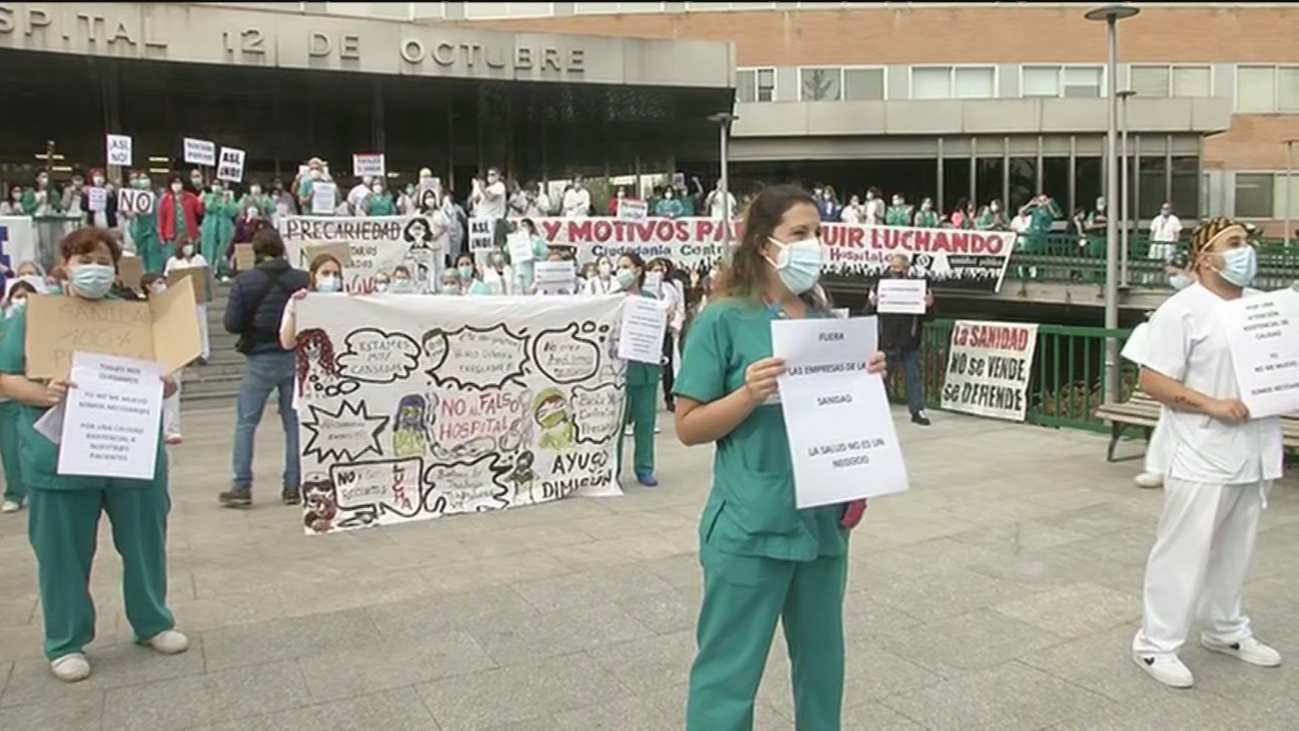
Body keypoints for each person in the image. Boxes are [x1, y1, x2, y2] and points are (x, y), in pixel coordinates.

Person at [673, 184, 885, 730]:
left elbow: (840, 421)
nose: (814, 244)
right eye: (800, 234)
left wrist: (863, 385)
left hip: (823, 525)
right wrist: (746, 394)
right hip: (750, 525)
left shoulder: (823, 321)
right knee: (728, 674)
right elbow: (689, 427)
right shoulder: (722, 319)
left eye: (818, 233)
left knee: (822, 666)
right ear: (764, 244)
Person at [0, 227, 188, 682]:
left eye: (103, 260)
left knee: (145, 545)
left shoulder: (136, 317)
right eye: (83, 261)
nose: (94, 270)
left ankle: (152, 622)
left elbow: (169, 377)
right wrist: (46, 393)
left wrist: (162, 384)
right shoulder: (31, 318)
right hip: (60, 456)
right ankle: (65, 641)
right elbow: (5, 377)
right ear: (64, 267)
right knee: (62, 554)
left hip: (130, 450)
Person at [1131, 217, 1283, 689]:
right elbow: (1152, 379)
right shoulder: (1182, 311)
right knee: (1184, 549)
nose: (1245, 251)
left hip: (1256, 448)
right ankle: (1156, 644)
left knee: (1235, 549)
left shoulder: (1264, 307)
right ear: (1205, 258)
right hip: (1201, 449)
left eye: (1247, 243)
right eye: (1233, 244)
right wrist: (1211, 404)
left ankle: (1225, 628)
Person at [220, 229, 311, 509]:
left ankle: (242, 486)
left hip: (260, 357)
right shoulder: (301, 278)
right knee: (294, 422)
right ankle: (293, 486)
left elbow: (232, 323)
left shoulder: (245, 281)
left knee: (246, 422)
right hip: (294, 355)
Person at [870, 253, 934, 426]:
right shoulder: (880, 284)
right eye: (892, 267)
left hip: (909, 341)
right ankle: (876, 411)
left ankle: (917, 411)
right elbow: (868, 312)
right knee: (883, 378)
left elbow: (928, 317)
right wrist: (872, 302)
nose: (893, 270)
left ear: (906, 268)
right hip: (888, 340)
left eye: (897, 267)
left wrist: (929, 305)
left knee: (913, 378)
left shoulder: (918, 286)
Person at [615, 253, 662, 487]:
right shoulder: (612, 300)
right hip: (621, 371)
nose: (621, 271)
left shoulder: (650, 299)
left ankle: (644, 468)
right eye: (618, 267)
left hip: (647, 369)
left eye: (626, 267)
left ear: (638, 270)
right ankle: (613, 470)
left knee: (645, 422)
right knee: (618, 424)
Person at [0, 279, 37, 513]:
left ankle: (20, 492)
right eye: (17, 296)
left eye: (26, 296)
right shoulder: (4, 323)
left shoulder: (31, 324)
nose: (21, 301)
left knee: (17, 448)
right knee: (8, 450)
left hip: (20, 396)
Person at [139, 273, 184, 446]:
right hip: (147, 354)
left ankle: (172, 430)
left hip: (171, 352)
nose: (162, 285)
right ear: (148, 286)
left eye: (163, 282)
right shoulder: (139, 306)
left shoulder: (172, 305)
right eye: (158, 283)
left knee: (172, 394)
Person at [163, 235, 212, 362]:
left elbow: (206, 276)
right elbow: (168, 278)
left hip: (198, 298)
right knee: (185, 327)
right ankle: (187, 355)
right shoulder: (173, 261)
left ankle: (203, 354)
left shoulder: (199, 259)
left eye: (191, 244)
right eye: (186, 244)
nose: (189, 247)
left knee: (201, 325)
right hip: (181, 299)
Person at [650, 258, 686, 413]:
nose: (659, 272)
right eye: (655, 269)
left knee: (667, 364)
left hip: (667, 329)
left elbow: (680, 307)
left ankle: (669, 397)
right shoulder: (647, 286)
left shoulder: (675, 285)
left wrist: (675, 324)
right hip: (651, 330)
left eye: (662, 269)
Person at [158, 175, 203, 262]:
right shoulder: (165, 199)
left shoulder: (191, 197)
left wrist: (201, 200)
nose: (176, 185)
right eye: (174, 183)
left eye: (178, 182)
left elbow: (200, 211)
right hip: (172, 235)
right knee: (172, 258)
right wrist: (162, 236)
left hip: (189, 234)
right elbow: (161, 218)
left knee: (191, 258)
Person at [511, 218, 551, 292]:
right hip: (518, 268)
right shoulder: (515, 239)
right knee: (517, 292)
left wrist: (535, 257)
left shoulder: (537, 240)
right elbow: (508, 251)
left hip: (531, 269)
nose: (523, 228)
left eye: (525, 226)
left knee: (529, 291)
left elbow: (545, 253)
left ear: (531, 228)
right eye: (521, 226)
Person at [1148, 202, 1183, 277]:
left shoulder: (1175, 220)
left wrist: (1175, 243)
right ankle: (1151, 278)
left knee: (1168, 262)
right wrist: (1151, 241)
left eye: (1167, 209)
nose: (1164, 210)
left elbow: (1177, 232)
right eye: (1163, 208)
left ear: (1171, 210)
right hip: (1157, 243)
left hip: (1169, 244)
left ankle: (1166, 279)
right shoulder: (1157, 219)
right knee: (1154, 262)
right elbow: (1152, 231)